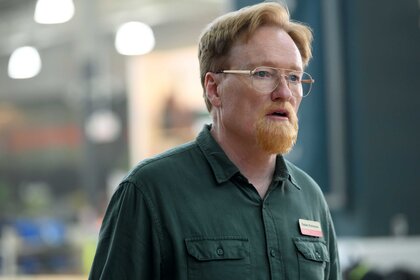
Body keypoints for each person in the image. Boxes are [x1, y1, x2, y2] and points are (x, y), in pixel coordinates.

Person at [89, 2, 341, 279]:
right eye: (263, 74)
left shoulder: (310, 198)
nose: (284, 92)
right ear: (214, 89)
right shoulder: (150, 192)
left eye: (293, 77)